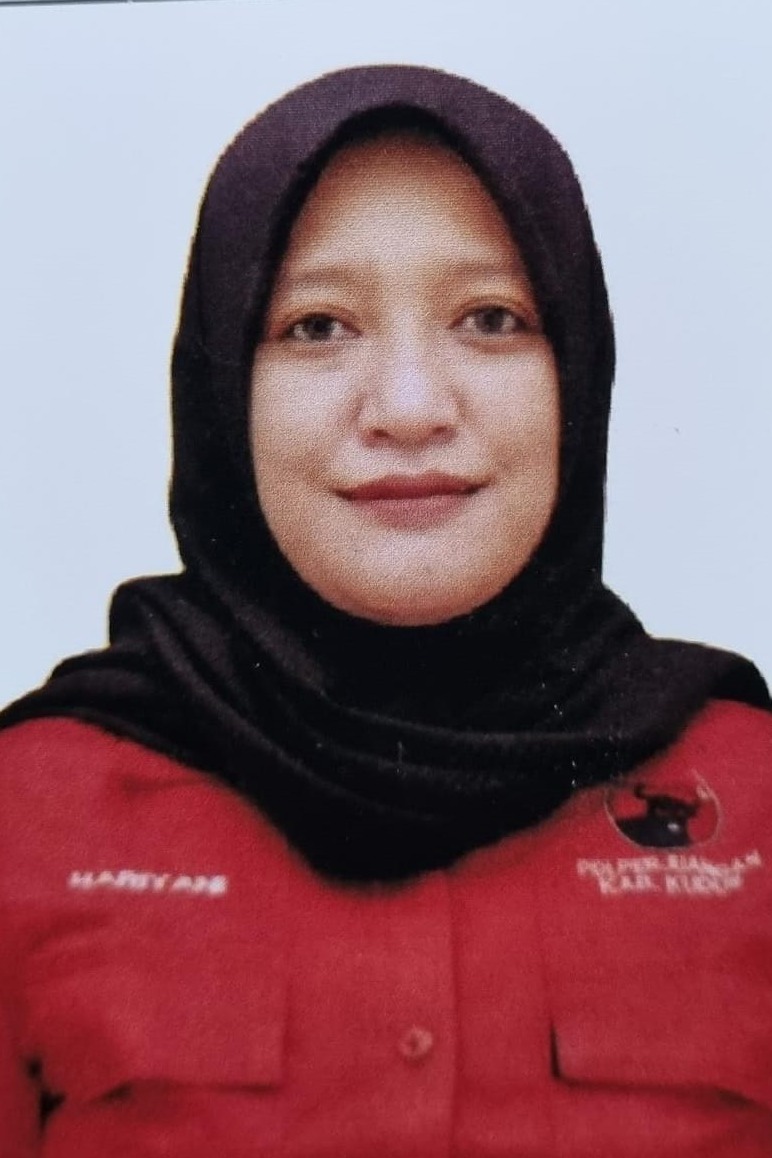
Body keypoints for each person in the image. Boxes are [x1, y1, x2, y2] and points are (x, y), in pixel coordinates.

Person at [1, 64, 770, 1157]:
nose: (408, 408)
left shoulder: (754, 796)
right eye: (317, 326)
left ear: (579, 371)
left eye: (491, 318)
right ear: (220, 384)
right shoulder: (31, 815)